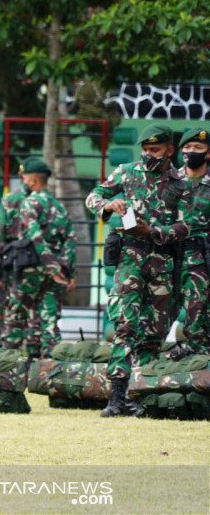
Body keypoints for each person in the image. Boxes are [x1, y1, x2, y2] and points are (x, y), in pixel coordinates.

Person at [85, 123, 191, 417]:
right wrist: (108, 203)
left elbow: (186, 225)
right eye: (144, 149)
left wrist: (153, 231)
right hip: (130, 260)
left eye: (155, 150)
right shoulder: (126, 172)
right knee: (125, 326)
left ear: (170, 150)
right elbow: (93, 195)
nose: (148, 155)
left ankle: (142, 393)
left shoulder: (181, 184)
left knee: (154, 331)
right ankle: (116, 397)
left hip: (163, 265)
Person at [0, 158, 75, 358]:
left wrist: (50, 265)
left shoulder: (29, 203)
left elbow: (35, 237)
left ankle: (6, 370)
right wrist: (67, 271)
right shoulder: (59, 206)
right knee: (49, 322)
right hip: (55, 273)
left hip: (30, 270)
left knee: (15, 318)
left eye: (24, 177)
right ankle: (50, 373)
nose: (22, 181)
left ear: (32, 180)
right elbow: (70, 240)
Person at [176, 127, 210, 355]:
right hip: (166, 258)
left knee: (197, 314)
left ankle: (200, 367)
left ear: (208, 153)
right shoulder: (168, 180)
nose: (191, 151)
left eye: (198, 147)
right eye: (187, 147)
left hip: (201, 258)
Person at [0, 169, 29, 340]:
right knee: (40, 314)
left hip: (16, 262)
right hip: (41, 262)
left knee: (13, 310)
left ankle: (9, 357)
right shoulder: (49, 202)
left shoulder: (10, 200)